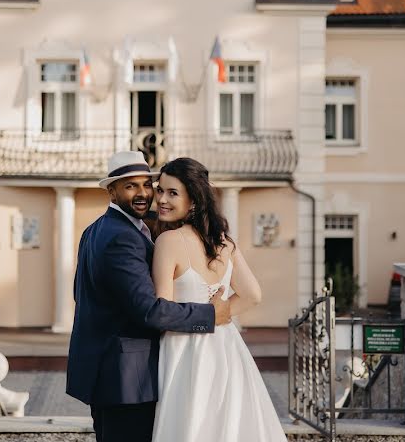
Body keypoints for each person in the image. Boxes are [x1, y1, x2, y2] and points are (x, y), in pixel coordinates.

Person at [66, 151, 232, 442]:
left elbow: (80, 294)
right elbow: (150, 311)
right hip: (127, 380)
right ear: (112, 191)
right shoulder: (122, 237)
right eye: (131, 186)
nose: (143, 193)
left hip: (108, 374)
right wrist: (210, 315)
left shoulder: (95, 230)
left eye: (147, 185)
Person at [151, 157, 286, 442]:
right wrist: (217, 317)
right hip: (225, 347)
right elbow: (253, 295)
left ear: (194, 200)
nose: (161, 199)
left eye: (172, 193)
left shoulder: (168, 242)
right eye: (160, 190)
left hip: (183, 350)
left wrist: (205, 320)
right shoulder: (223, 242)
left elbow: (161, 314)